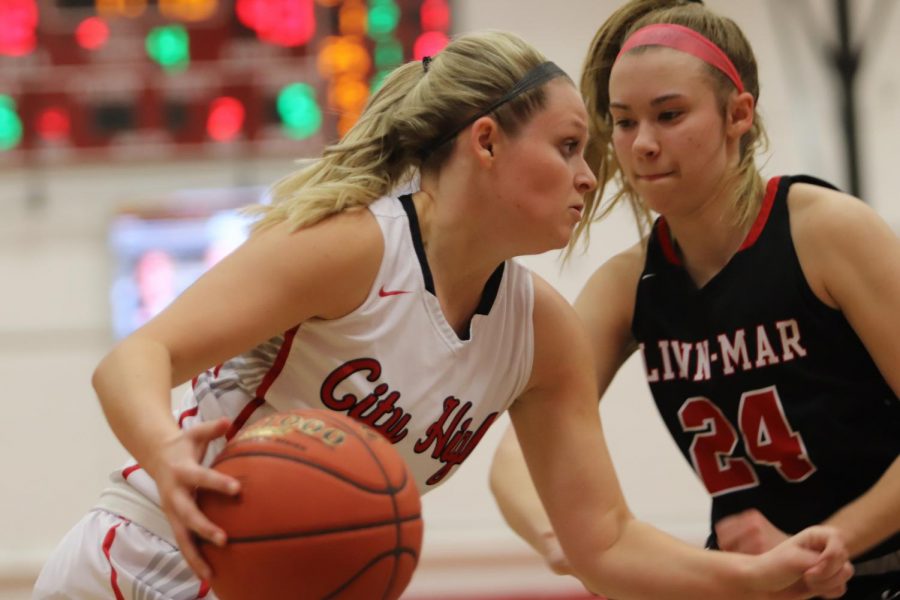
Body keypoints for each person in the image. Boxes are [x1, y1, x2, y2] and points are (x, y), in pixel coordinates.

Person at [35, 29, 851, 600]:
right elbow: (135, 359)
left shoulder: (543, 334)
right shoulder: (351, 248)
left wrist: (748, 581)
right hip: (144, 564)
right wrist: (169, 454)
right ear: (487, 142)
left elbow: (603, 541)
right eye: (570, 147)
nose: (589, 178)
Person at [489, 1, 900, 598]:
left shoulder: (825, 232)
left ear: (738, 114)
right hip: (752, 581)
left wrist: (832, 540)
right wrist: (570, 541)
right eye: (625, 121)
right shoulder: (629, 284)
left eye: (670, 115)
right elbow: (517, 458)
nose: (643, 144)